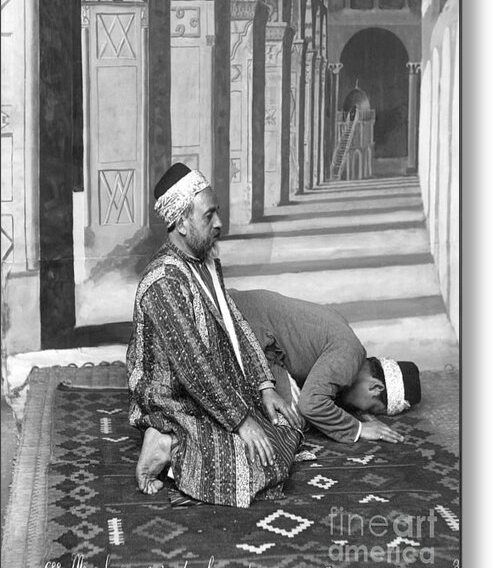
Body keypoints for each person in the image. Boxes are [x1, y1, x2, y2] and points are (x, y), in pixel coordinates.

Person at [126, 163, 302, 508]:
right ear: (181, 223)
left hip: (212, 387)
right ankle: (165, 440)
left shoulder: (204, 260)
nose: (219, 223)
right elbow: (193, 365)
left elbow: (234, 322)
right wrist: (241, 420)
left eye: (216, 212)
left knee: (288, 425)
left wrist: (265, 387)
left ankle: (181, 443)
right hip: (175, 396)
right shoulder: (163, 281)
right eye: (209, 216)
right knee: (258, 466)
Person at [228, 288, 421, 445]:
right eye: (370, 408)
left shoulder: (347, 340)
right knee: (292, 422)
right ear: (375, 386)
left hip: (240, 311)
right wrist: (358, 428)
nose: (361, 411)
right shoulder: (347, 355)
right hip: (236, 321)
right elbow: (311, 404)